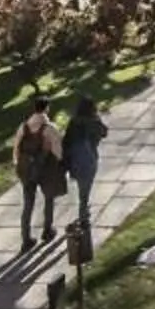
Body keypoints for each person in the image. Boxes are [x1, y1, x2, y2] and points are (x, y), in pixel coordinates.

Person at [12, 103, 65, 250]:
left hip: (26, 170)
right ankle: (47, 230)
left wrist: (18, 164)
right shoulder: (49, 128)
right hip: (45, 170)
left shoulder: (23, 127)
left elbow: (16, 147)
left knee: (28, 204)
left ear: (34, 109)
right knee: (49, 198)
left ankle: (26, 239)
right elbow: (58, 151)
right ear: (47, 108)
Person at [63, 93, 109, 234]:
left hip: (75, 161)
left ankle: (84, 210)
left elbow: (65, 142)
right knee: (85, 191)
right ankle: (84, 217)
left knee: (82, 188)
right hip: (89, 159)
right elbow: (104, 133)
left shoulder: (73, 122)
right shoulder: (93, 121)